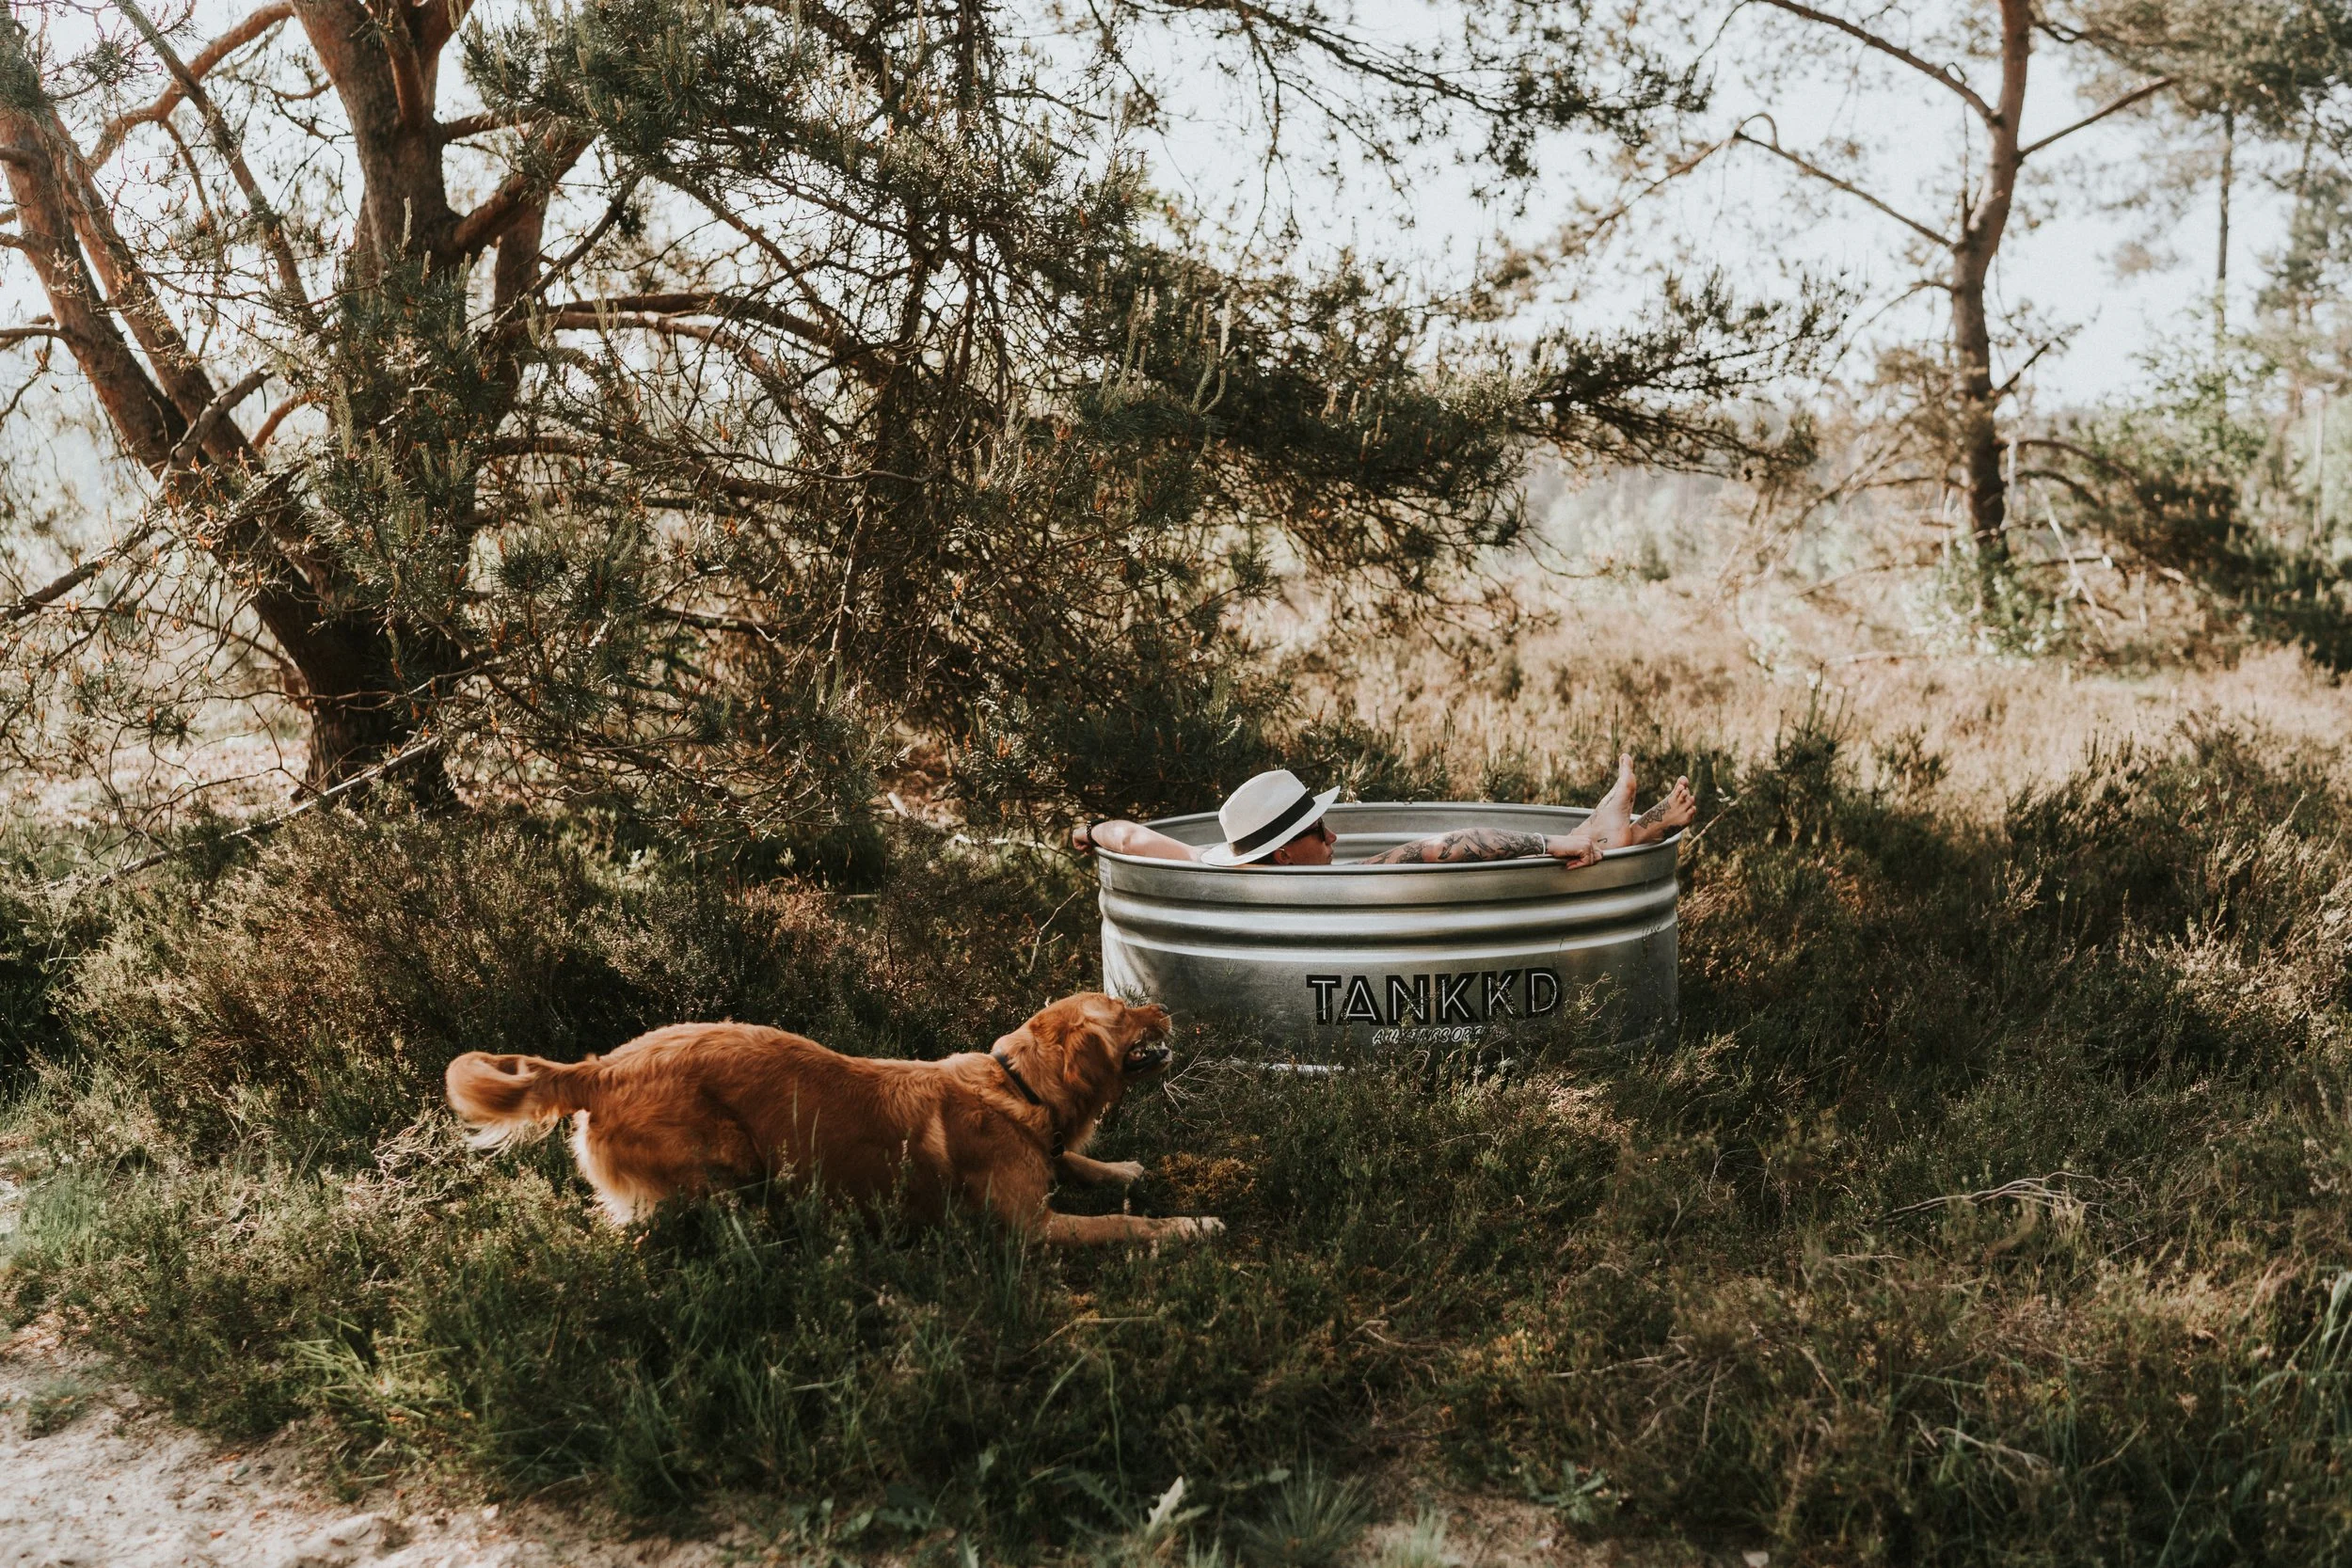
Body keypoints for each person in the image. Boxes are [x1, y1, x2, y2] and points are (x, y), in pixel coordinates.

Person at [1073, 755, 1695, 868]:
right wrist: (1542, 844)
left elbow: (1126, 835)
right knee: (1530, 859)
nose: (1334, 835)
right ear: (1286, 853)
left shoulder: (1210, 858)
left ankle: (1611, 830)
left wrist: (1085, 832)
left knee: (1564, 849)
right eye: (1320, 831)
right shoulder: (1330, 881)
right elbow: (1445, 845)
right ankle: (1610, 832)